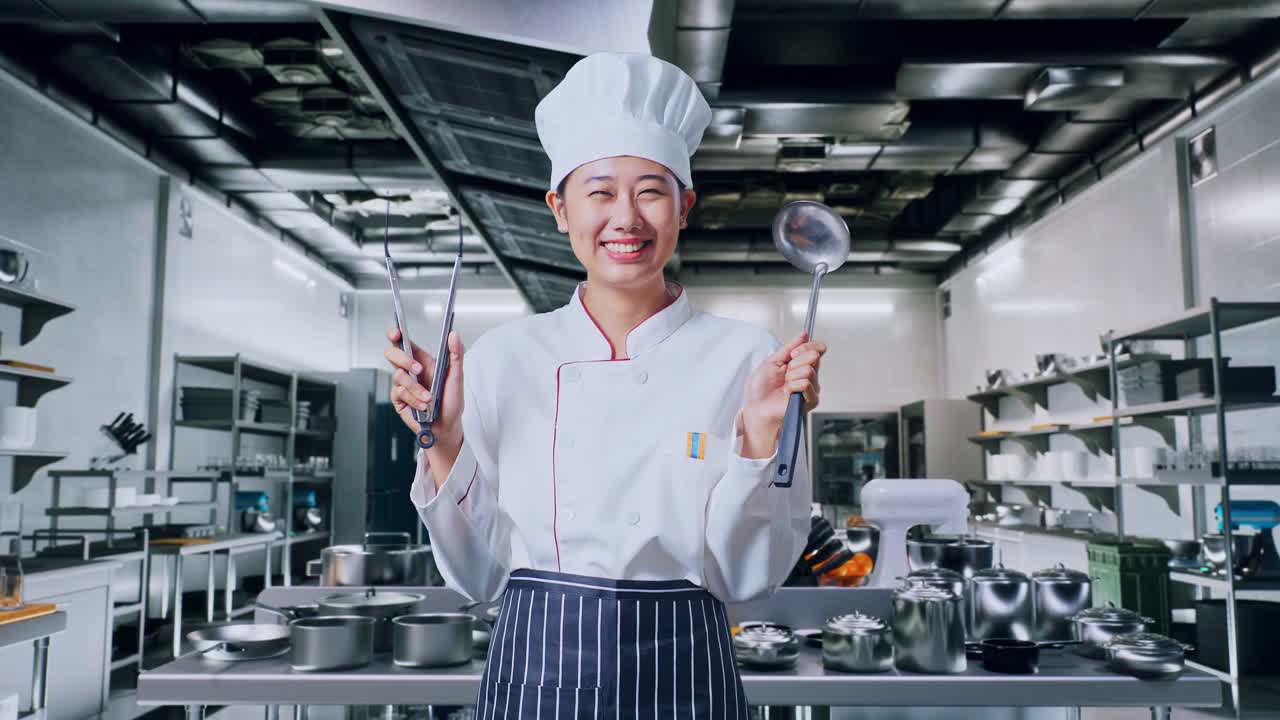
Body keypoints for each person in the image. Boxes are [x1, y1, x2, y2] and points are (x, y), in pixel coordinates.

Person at [384, 52, 827, 719]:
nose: (626, 217)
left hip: (689, 673)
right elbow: (479, 577)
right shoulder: (505, 357)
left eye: (651, 190)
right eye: (599, 191)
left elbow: (746, 578)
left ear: (685, 208)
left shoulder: (749, 358)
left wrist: (761, 441)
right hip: (536, 672)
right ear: (559, 209)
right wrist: (443, 441)